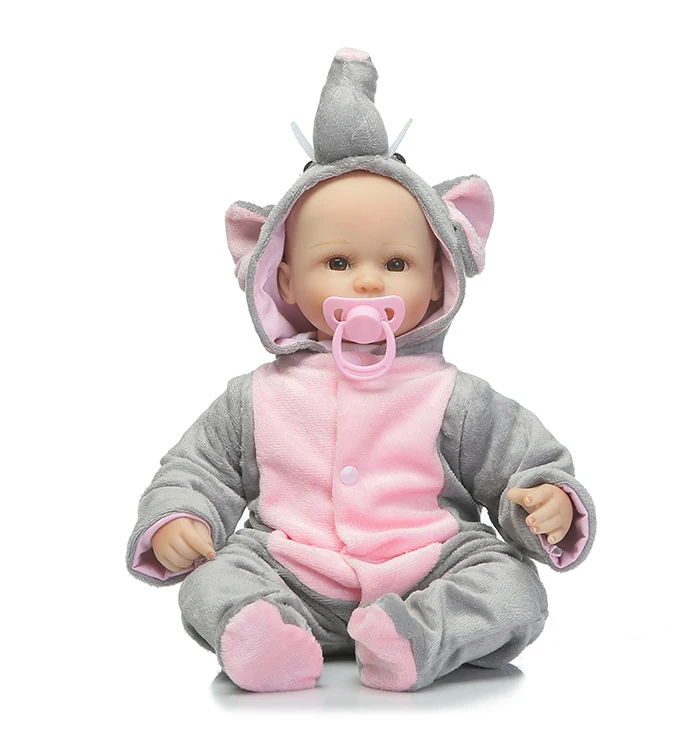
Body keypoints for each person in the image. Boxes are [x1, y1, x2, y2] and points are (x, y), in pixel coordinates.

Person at [126, 48, 596, 693]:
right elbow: (196, 467)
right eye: (339, 263)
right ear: (285, 280)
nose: (369, 281)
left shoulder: (455, 397)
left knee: (514, 588)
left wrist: (546, 501)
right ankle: (263, 634)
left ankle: (416, 636)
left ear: (439, 279)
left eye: (397, 264)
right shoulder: (255, 397)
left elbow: (522, 462)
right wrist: (182, 517)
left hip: (428, 566)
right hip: (291, 566)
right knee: (212, 581)